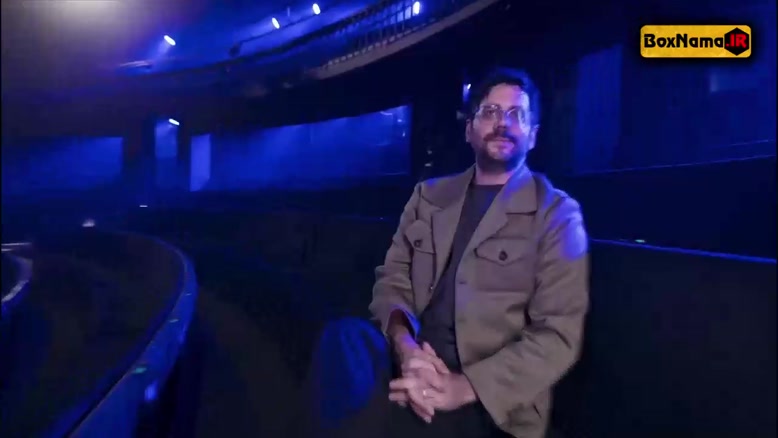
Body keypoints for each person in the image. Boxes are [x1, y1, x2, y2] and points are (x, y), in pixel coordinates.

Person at [303, 67, 589, 438]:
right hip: (414, 362)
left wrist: (459, 388)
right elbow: (393, 281)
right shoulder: (430, 197)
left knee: (375, 416)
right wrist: (406, 348)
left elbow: (558, 336)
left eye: (516, 114)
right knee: (343, 339)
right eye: (490, 112)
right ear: (470, 129)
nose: (503, 123)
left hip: (487, 397)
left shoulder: (557, 214)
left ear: (532, 135)